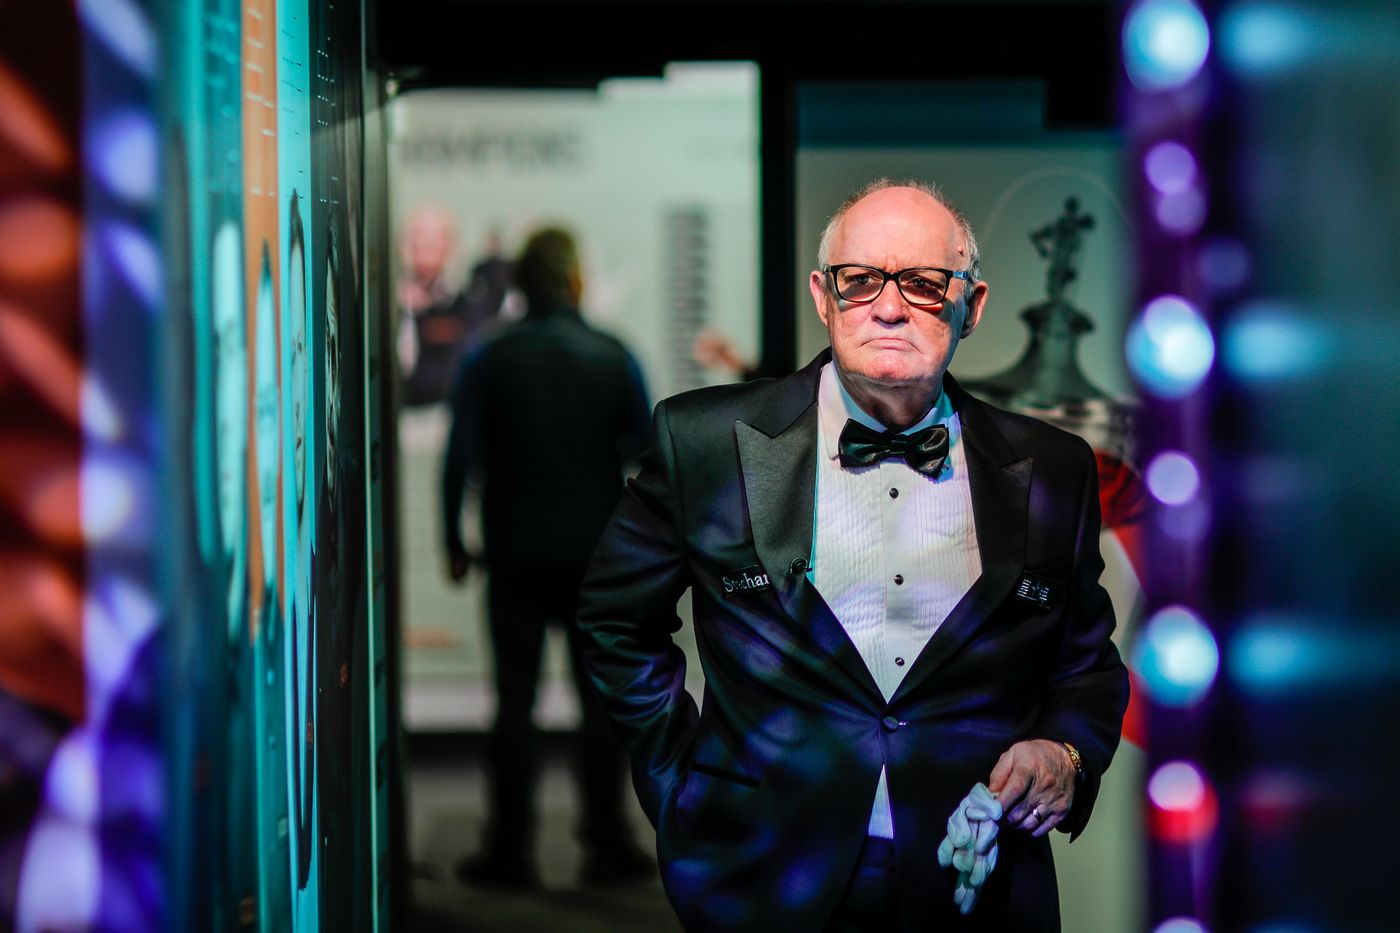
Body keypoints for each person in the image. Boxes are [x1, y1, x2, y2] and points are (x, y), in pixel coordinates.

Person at [576, 180, 1129, 931]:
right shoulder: (705, 443)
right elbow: (615, 621)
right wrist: (682, 783)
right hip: (763, 876)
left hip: (979, 883)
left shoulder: (1052, 470)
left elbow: (1086, 665)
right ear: (823, 296)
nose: (889, 307)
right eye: (860, 279)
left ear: (972, 305)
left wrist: (1066, 752)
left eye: (924, 283)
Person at [441, 227, 655, 888]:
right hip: (597, 561)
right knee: (602, 709)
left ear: (521, 285)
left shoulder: (489, 357)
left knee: (513, 706)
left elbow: (459, 458)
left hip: (514, 556)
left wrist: (452, 540)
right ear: (574, 280)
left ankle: (509, 851)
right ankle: (607, 843)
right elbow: (648, 457)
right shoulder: (613, 355)